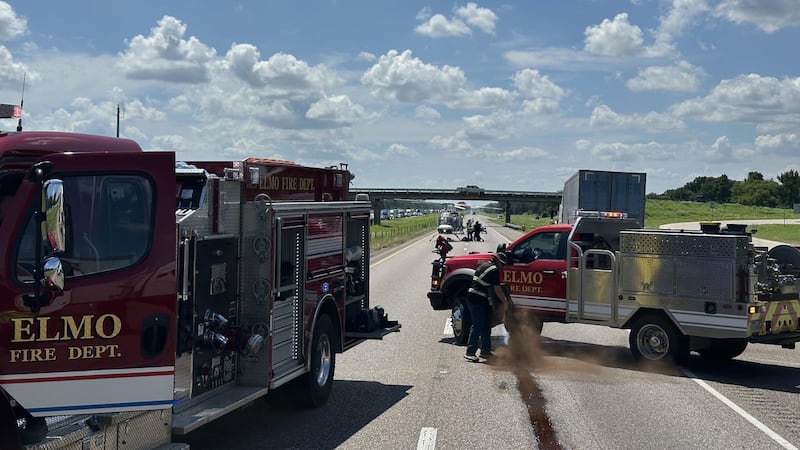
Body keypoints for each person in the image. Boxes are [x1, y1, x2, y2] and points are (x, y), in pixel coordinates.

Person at [464, 252, 510, 362]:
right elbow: (497, 289)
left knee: (485, 326)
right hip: (476, 299)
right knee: (477, 325)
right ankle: (470, 352)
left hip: (479, 299)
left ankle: (485, 352)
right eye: (502, 264)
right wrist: (505, 302)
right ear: (497, 260)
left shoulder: (486, 265)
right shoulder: (493, 270)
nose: (502, 267)